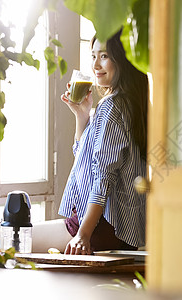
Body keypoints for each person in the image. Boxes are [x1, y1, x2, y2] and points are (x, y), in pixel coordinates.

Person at [31, 29, 148, 255]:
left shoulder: (111, 106)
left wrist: (82, 235)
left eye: (104, 56)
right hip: (119, 230)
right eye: (93, 56)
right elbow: (86, 161)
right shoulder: (132, 104)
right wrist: (82, 116)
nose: (96, 65)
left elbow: (104, 176)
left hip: (98, 225)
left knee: (6, 237)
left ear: (124, 59)